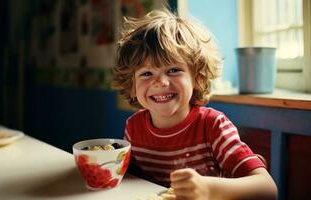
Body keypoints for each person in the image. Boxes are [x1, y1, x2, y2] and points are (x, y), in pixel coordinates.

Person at [112, 8, 278, 200]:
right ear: (132, 87)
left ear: (197, 78)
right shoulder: (134, 127)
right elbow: (131, 181)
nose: (161, 83)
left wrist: (208, 190)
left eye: (173, 70)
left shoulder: (213, 126)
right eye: (146, 73)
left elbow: (268, 189)